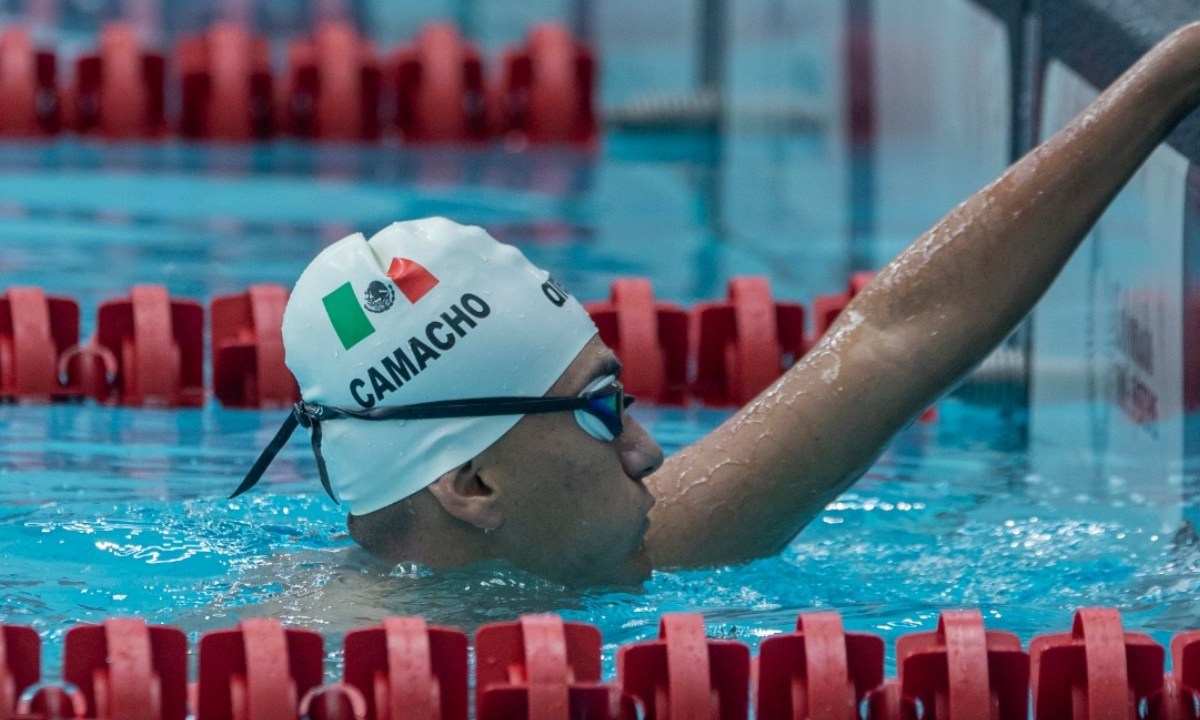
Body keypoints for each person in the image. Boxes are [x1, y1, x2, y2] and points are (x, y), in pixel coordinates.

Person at [236, 22, 1200, 587]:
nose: (649, 453)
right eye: (602, 410)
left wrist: (1173, 72)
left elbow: (889, 343)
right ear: (472, 487)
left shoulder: (571, 557)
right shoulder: (295, 671)